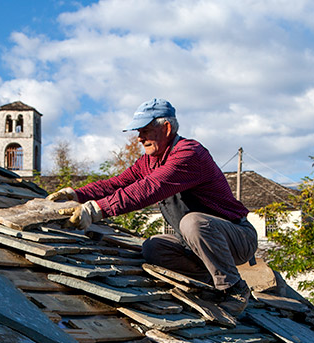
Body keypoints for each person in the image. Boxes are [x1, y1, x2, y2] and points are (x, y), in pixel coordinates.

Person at [47, 98, 258, 316]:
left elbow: (151, 187)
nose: (139, 138)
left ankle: (234, 289)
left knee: (193, 222)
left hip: (236, 238)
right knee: (153, 247)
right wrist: (78, 194)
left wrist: (96, 210)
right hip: (195, 244)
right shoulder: (149, 160)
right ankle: (209, 282)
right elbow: (118, 183)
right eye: (138, 132)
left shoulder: (190, 154)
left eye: (145, 130)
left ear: (166, 127)